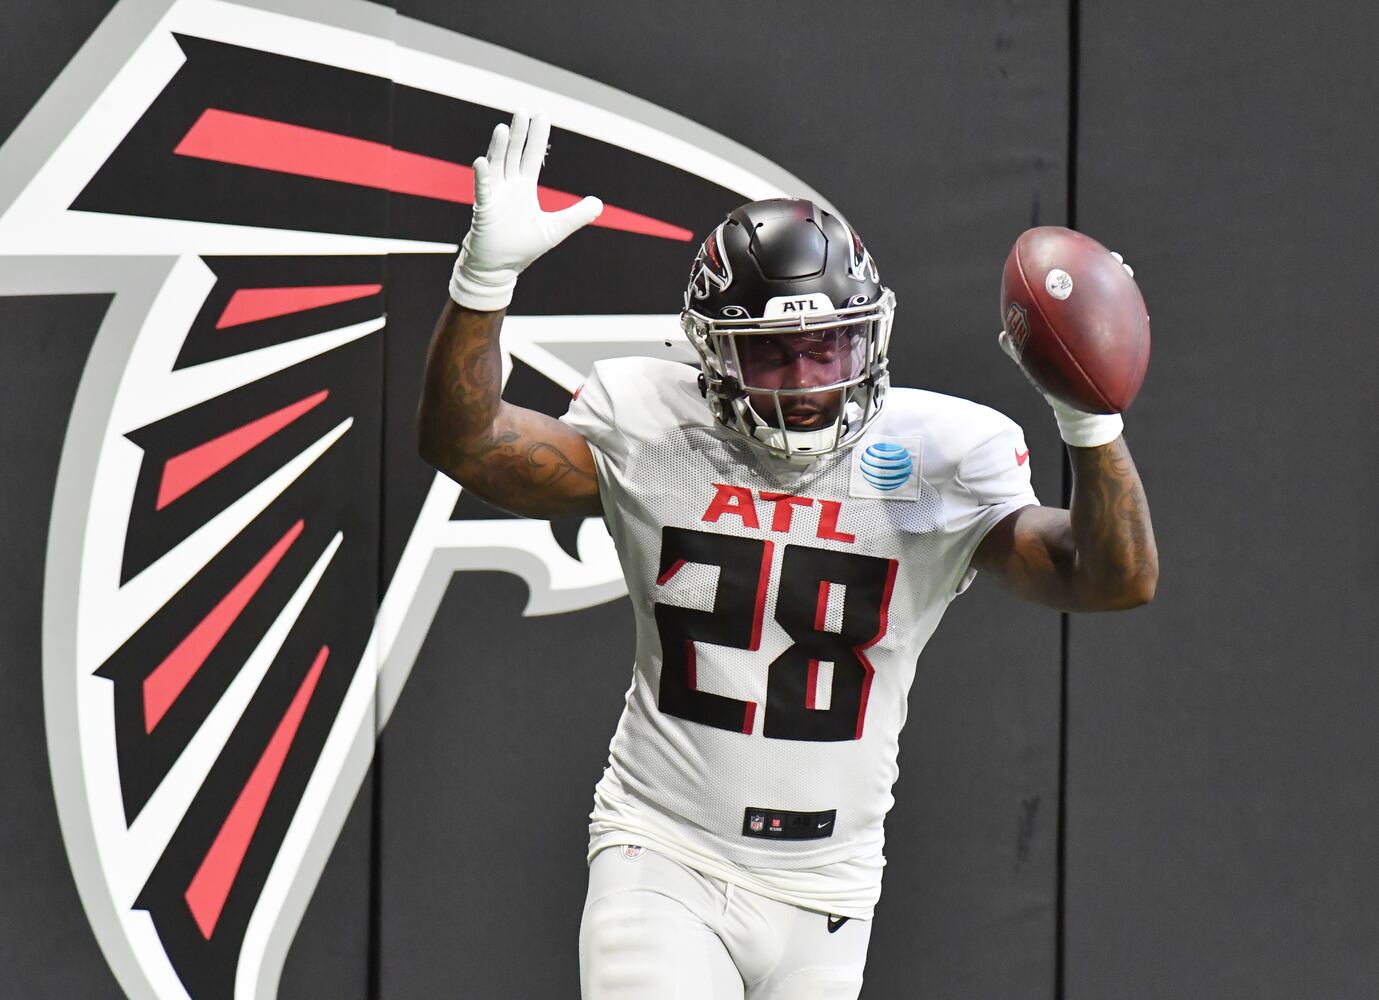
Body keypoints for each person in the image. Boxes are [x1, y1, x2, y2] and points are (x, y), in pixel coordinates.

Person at [417, 111, 1157, 1000]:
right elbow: (469, 446)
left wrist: (1089, 422)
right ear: (713, 353)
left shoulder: (940, 453)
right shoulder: (651, 426)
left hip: (831, 884)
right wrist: (482, 281)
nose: (807, 382)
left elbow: (1109, 581)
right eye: (772, 356)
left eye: (828, 345)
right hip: (664, 851)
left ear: (870, 335)